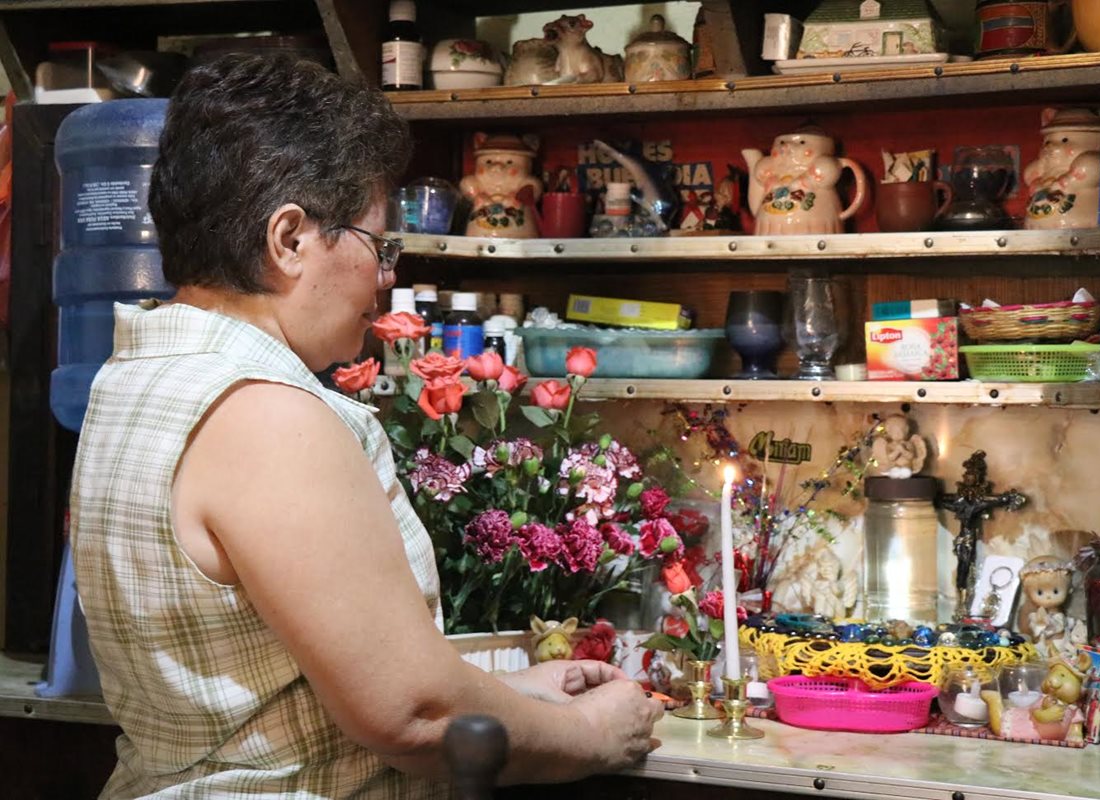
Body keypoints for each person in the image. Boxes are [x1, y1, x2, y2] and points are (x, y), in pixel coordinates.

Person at [69, 52, 662, 799]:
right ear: (289, 239)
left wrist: (513, 697)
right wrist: (591, 736)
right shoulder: (264, 413)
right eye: (378, 246)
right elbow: (413, 715)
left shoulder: (137, 377)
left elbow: (280, 698)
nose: (386, 276)